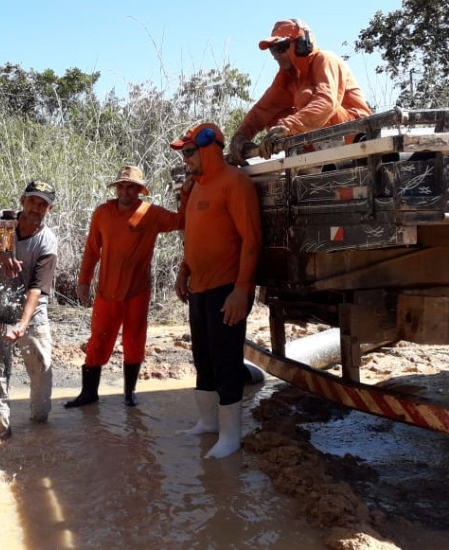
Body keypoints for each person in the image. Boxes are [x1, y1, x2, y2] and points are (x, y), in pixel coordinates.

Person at [171, 122, 262, 459]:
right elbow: (192, 235)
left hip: (228, 287)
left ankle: (231, 436)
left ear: (210, 148)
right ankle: (208, 423)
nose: (185, 160)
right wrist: (184, 269)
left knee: (226, 361)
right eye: (183, 154)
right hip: (200, 286)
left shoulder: (234, 182)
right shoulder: (194, 187)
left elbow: (252, 241)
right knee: (203, 358)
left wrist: (242, 290)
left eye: (189, 152)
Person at [65, 166, 186, 409]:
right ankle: (89, 393)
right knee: (97, 341)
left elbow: (181, 221)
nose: (125, 191)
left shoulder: (151, 213)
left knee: (134, 341)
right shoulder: (102, 213)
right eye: (121, 186)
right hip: (106, 292)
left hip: (137, 292)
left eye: (130, 186)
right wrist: (83, 282)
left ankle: (129, 393)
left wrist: (187, 192)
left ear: (140, 190)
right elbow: (91, 250)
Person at [228, 19, 372, 165]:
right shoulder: (288, 76)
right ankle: (311, 162)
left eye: (280, 47)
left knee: (304, 100)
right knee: (273, 118)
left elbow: (327, 102)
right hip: (321, 141)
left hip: (358, 135)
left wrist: (287, 127)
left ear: (302, 43)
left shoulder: (326, 60)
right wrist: (240, 136)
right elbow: (263, 110)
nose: (275, 55)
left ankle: (329, 159)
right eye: (272, 49)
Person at [0, 180, 58, 440]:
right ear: (22, 201)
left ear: (49, 210)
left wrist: (22, 325)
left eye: (43, 204)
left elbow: (36, 290)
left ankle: (39, 430)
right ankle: (0, 431)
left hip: (33, 313)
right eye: (33, 201)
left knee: (41, 371)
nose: (37, 208)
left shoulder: (47, 242)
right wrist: (0, 256)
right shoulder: (1, 227)